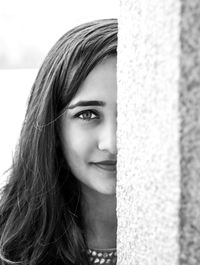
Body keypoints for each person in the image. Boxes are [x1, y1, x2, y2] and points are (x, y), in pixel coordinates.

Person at [0, 19, 117, 265]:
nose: (112, 143)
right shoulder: (8, 244)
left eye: (130, 114)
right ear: (53, 126)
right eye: (87, 114)